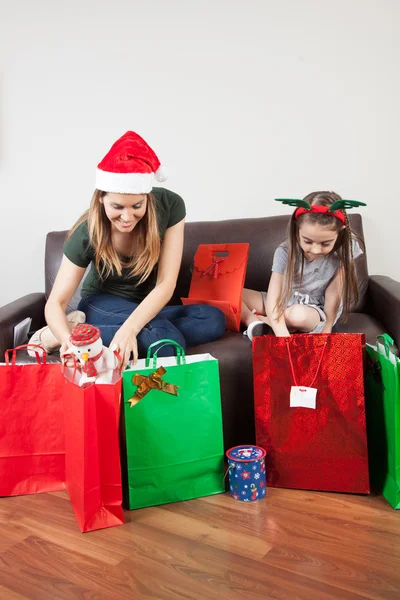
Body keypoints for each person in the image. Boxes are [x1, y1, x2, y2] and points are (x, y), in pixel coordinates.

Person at [30, 131, 226, 365]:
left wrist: (129, 330)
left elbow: (166, 284)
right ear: (101, 198)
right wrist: (67, 341)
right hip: (102, 302)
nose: (127, 217)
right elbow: (56, 303)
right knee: (163, 340)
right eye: (117, 206)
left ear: (147, 197)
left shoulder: (170, 206)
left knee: (213, 319)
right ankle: (59, 335)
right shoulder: (87, 232)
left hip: (146, 305)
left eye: (137, 205)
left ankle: (87, 332)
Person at [241, 191, 366, 339]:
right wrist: (284, 339)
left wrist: (326, 332)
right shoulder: (284, 251)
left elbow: (334, 294)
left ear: (340, 232)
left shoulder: (346, 249)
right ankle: (254, 322)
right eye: (308, 241)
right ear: (297, 229)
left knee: (297, 315)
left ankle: (266, 322)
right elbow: (274, 298)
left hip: (313, 310)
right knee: (230, 294)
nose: (315, 250)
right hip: (284, 300)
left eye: (325, 243)